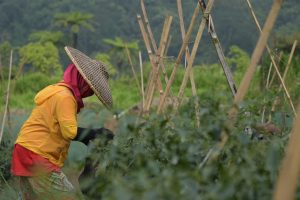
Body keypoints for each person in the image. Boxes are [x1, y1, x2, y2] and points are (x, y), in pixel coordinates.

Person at [11, 46, 113, 200]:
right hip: (36, 155)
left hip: (25, 149)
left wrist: (89, 138)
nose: (89, 93)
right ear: (82, 81)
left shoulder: (58, 90)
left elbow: (60, 128)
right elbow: (69, 132)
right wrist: (95, 133)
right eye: (89, 88)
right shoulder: (66, 97)